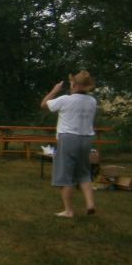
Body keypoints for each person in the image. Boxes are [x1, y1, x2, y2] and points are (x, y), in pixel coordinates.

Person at [41, 71, 98, 218]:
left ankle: (68, 210)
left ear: (76, 85)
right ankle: (90, 204)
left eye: (72, 82)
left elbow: (44, 104)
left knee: (65, 175)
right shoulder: (92, 101)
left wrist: (54, 90)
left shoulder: (65, 99)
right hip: (86, 139)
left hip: (68, 138)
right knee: (84, 173)